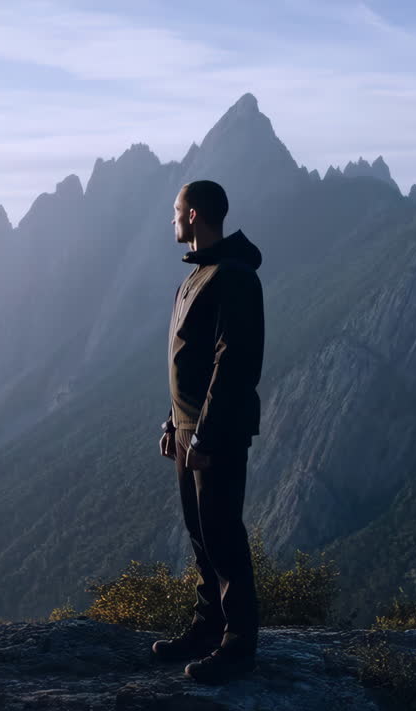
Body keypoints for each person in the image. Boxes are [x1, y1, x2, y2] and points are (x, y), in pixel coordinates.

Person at [151, 179, 265, 684]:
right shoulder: (196, 276)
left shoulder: (235, 277)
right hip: (188, 430)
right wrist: (173, 423)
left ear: (194, 215)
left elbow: (234, 364)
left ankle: (239, 645)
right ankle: (207, 628)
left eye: (176, 210)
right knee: (200, 535)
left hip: (213, 434)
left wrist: (205, 436)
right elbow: (187, 361)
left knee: (222, 536)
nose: (172, 219)